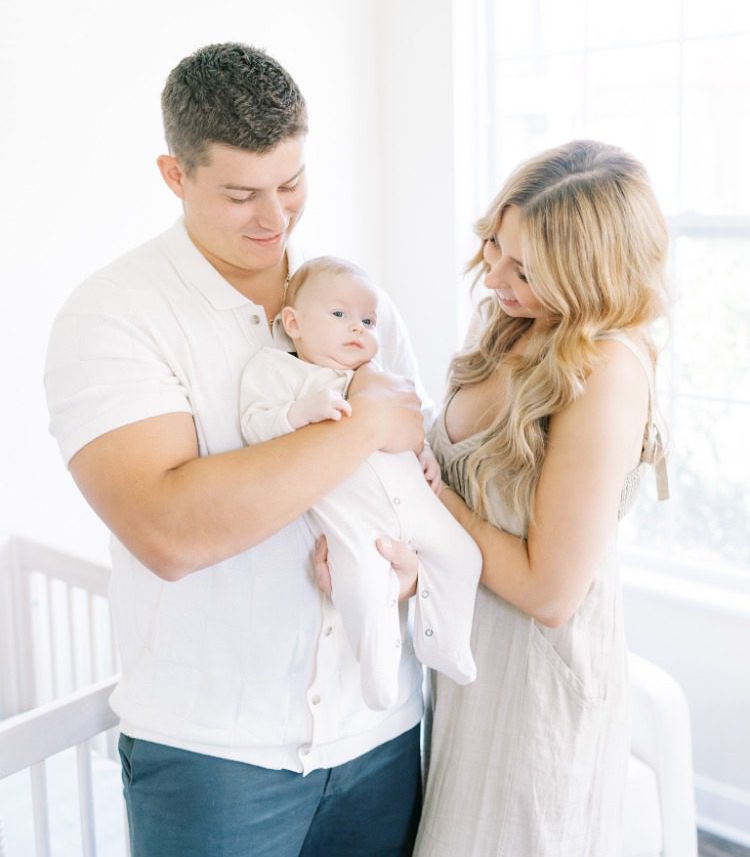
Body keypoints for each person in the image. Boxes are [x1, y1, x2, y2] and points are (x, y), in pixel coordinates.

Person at [44, 42, 431, 857]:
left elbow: (417, 470)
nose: (276, 218)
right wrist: (360, 425)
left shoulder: (358, 300)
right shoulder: (115, 314)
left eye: (291, 183)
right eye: (241, 193)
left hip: (381, 732)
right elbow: (169, 530)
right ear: (173, 175)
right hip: (214, 759)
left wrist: (412, 568)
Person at [409, 140, 670, 857]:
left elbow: (548, 590)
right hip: (469, 664)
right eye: (495, 245)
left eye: (523, 270)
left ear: (590, 276)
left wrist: (436, 506)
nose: (494, 275)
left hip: (536, 685)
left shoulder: (606, 370)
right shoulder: (504, 322)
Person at [240, 256, 481, 711]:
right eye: (339, 316)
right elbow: (255, 426)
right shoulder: (276, 372)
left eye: (368, 320)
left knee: (464, 556)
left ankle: (445, 640)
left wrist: (424, 453)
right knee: (364, 588)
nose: (358, 328)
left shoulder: (379, 376)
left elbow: (412, 422)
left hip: (412, 500)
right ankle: (377, 675)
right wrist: (299, 414)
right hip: (355, 514)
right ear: (293, 322)